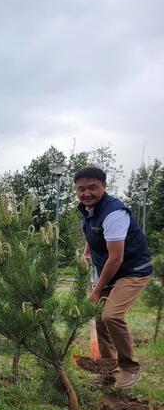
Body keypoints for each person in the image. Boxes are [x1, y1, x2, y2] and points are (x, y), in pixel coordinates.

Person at [75, 166, 151, 388]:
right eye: (81, 189)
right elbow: (93, 233)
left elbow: (116, 259)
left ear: (104, 186)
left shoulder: (114, 213)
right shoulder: (89, 210)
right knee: (100, 320)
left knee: (111, 316)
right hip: (109, 272)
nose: (86, 193)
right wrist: (87, 252)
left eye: (92, 187)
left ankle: (130, 367)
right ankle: (108, 368)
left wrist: (98, 290)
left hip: (132, 271)